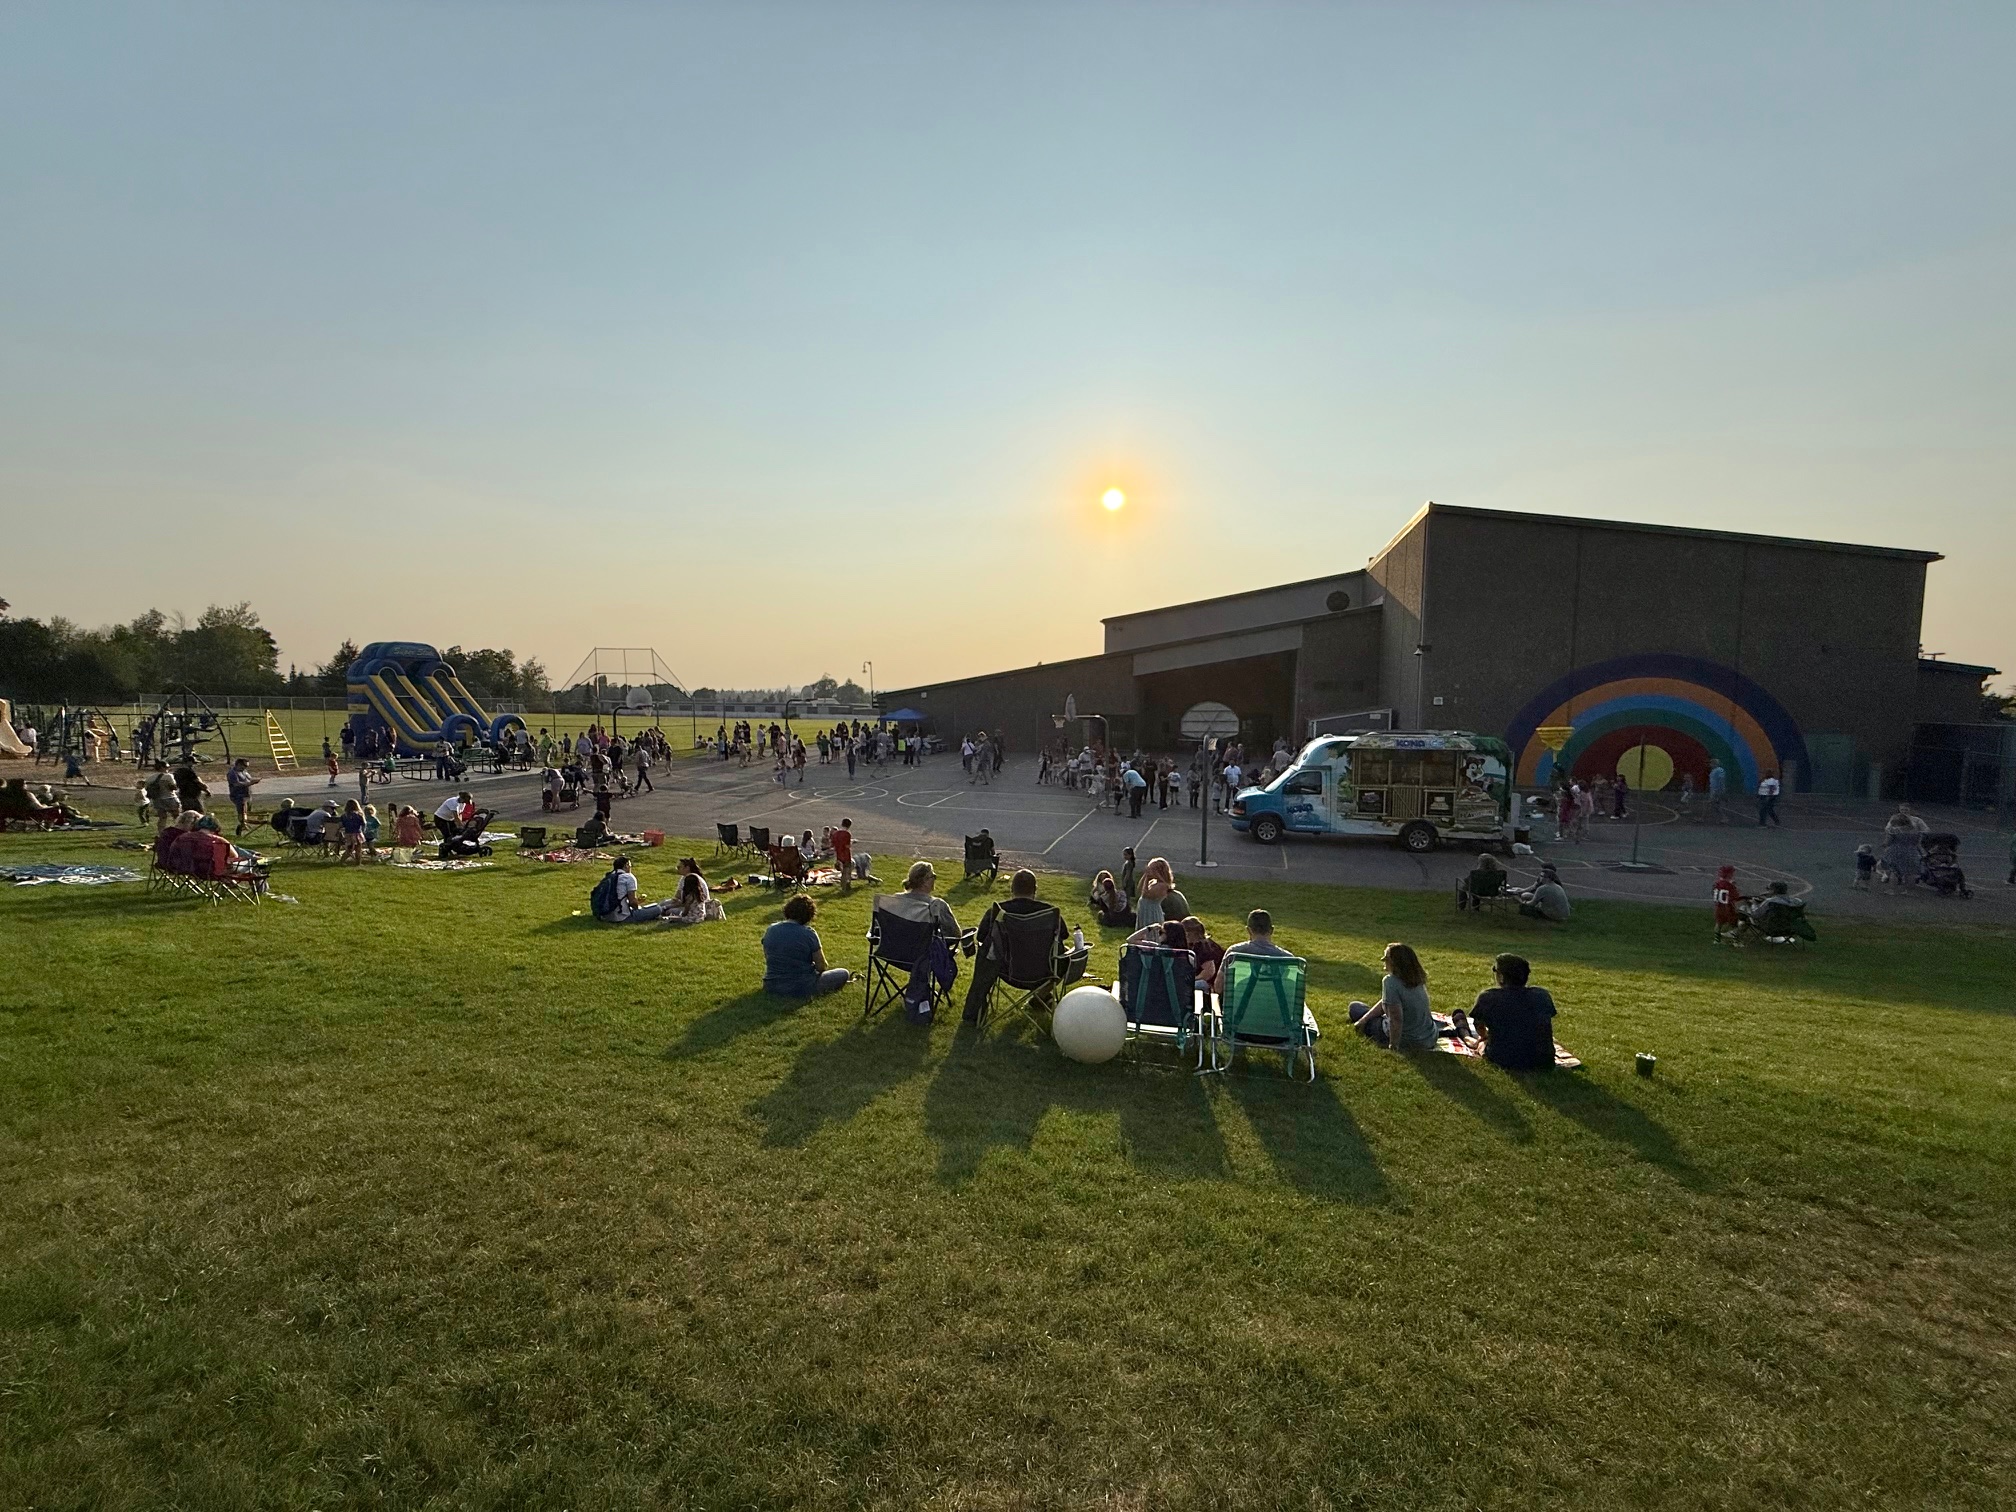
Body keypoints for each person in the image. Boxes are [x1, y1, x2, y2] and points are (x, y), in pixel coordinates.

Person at [963, 868, 1088, 1022]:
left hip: (1007, 970)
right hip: (1044, 971)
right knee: (1065, 955)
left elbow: (981, 937)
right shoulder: (1050, 912)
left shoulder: (998, 911)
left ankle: (976, 1009)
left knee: (987, 951)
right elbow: (1063, 935)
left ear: (1011, 889)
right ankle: (1041, 996)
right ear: (1035, 890)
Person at [1468, 953, 1558, 1071]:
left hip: (1505, 1059)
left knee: (1482, 1044)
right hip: (1543, 1060)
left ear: (1501, 977)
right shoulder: (1542, 995)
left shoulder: (1488, 998)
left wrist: (1484, 1037)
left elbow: (1479, 1026)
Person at [1347, 942, 1438, 1051]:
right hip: (1430, 1037)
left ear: (1394, 962)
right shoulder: (1417, 978)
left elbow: (1396, 1018)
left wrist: (1393, 1045)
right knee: (1367, 1013)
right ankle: (1366, 1020)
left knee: (1355, 1008)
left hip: (1407, 1039)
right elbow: (1387, 1002)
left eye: (1386, 958)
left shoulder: (1390, 982)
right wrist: (1364, 1019)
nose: (1383, 960)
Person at [762, 892, 851, 997]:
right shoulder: (808, 933)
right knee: (843, 973)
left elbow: (768, 956)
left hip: (771, 984)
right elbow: (821, 966)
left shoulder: (771, 929)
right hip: (802, 986)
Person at [882, 860, 963, 940]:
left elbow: (879, 930)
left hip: (893, 947)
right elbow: (955, 934)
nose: (934, 880)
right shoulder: (937, 905)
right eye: (933, 876)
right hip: (926, 948)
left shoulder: (894, 900)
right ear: (925, 881)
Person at [1880, 802, 1927, 887]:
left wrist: (1885, 844)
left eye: (1906, 809)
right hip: (1911, 851)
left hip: (1896, 850)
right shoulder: (1915, 832)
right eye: (1902, 809)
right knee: (1910, 872)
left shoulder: (1915, 821)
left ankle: (1892, 889)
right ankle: (1908, 890)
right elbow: (1919, 840)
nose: (1904, 811)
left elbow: (1888, 840)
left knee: (1894, 870)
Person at [1180, 916, 1226, 994]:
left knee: (1184, 986)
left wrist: (1192, 979)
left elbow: (1209, 973)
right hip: (1206, 981)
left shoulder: (1204, 947)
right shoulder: (1196, 945)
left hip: (1210, 984)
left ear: (1191, 933)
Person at [1135, 856, 1178, 930]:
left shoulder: (1162, 885)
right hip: (1144, 910)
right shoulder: (1153, 882)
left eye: (1151, 869)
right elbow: (1140, 889)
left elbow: (1146, 895)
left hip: (1151, 912)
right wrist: (1145, 876)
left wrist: (1147, 879)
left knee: (1150, 932)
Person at [1711, 864, 1744, 943]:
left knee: (1719, 923)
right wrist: (1734, 886)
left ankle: (1717, 940)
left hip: (1718, 907)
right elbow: (1736, 897)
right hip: (1728, 908)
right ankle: (1736, 941)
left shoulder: (1716, 884)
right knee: (1735, 925)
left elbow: (1713, 892)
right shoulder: (1729, 886)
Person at [226, 758, 258, 836]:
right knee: (241, 811)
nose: (245, 768)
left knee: (246, 811)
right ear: (239, 764)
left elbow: (248, 779)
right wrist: (250, 783)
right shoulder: (232, 773)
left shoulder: (244, 772)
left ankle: (245, 824)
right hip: (238, 795)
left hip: (247, 794)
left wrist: (254, 781)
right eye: (244, 765)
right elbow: (236, 784)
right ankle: (242, 826)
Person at [339, 798, 367, 863]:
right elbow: (364, 823)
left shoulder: (344, 816)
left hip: (348, 834)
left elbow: (341, 825)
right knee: (358, 850)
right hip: (357, 833)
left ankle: (342, 861)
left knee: (349, 849)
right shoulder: (359, 815)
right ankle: (358, 862)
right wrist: (363, 830)